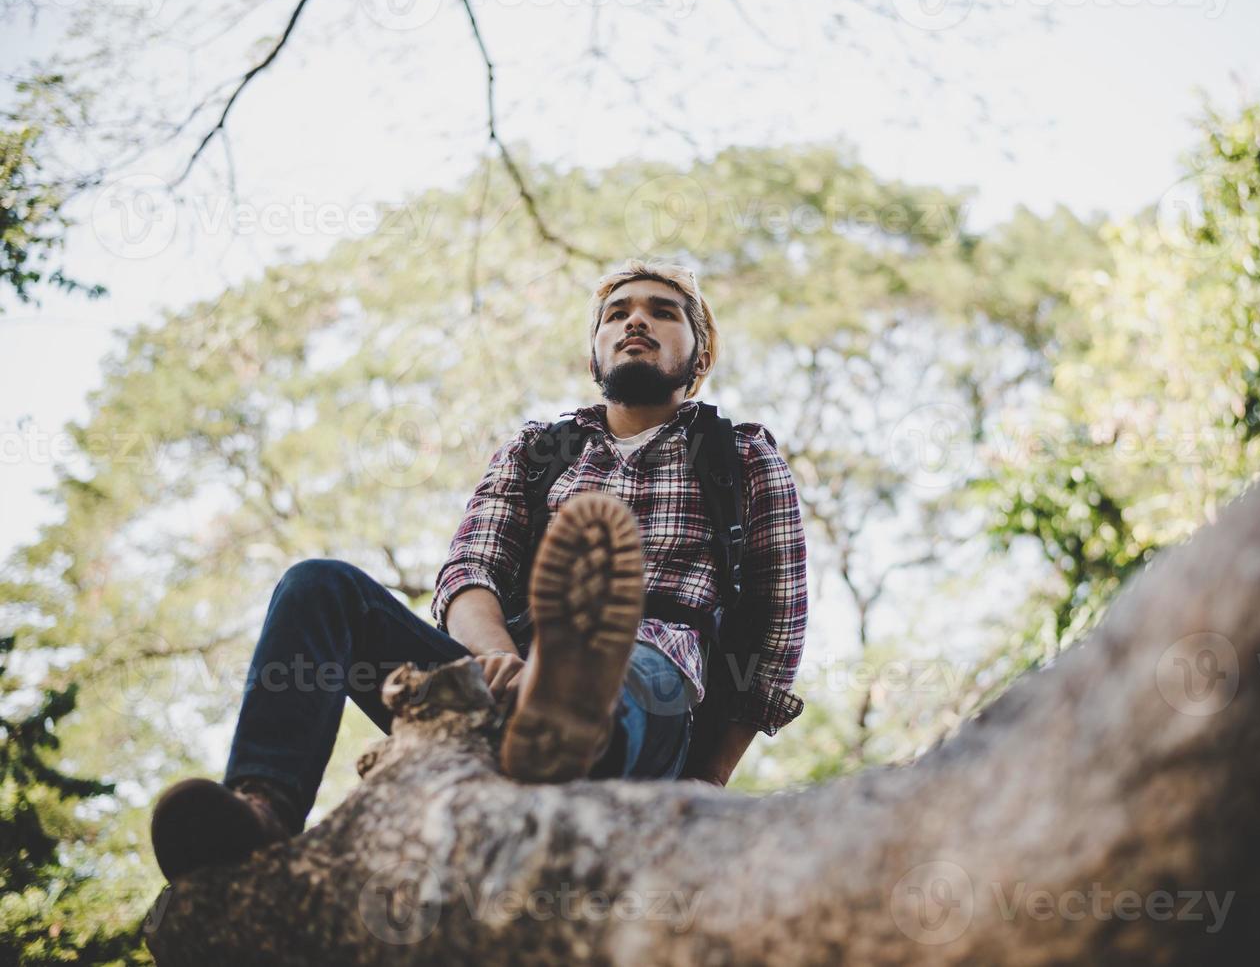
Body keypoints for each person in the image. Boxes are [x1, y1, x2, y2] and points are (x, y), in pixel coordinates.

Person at [148, 259, 810, 883]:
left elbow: (777, 633)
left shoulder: (739, 454)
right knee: (317, 585)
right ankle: (261, 814)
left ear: (697, 360)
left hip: (652, 689)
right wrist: (494, 660)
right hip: (491, 680)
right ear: (593, 353)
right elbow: (470, 571)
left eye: (664, 312)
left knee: (624, 664)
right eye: (616, 313)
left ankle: (565, 722)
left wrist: (711, 779)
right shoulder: (536, 450)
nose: (635, 321)